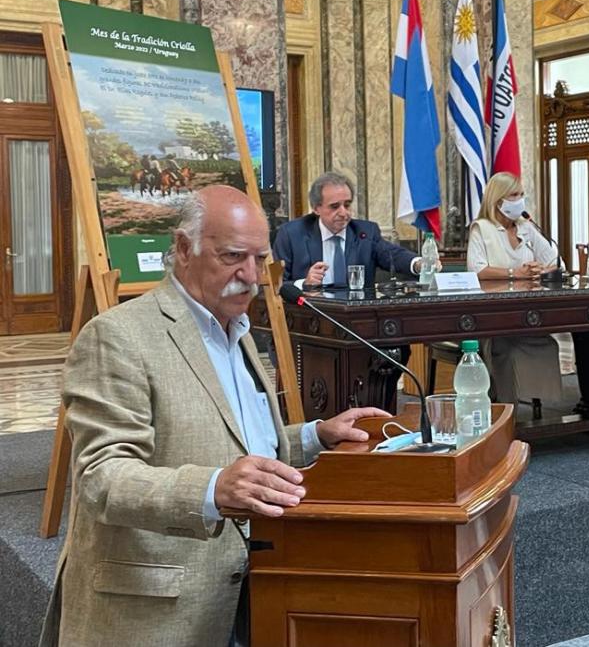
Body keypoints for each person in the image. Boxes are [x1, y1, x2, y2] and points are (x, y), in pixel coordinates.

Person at [40, 186, 388, 647]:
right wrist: (211, 490)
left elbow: (233, 439)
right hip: (157, 610)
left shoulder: (236, 328)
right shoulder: (117, 337)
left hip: (251, 585)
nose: (250, 275)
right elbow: (102, 477)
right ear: (184, 248)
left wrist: (314, 434)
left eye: (260, 259)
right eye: (232, 257)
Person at [467, 172, 563, 406]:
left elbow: (557, 262)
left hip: (527, 313)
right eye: (514, 195)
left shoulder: (526, 227)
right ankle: (505, 405)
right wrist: (514, 273)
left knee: (548, 344)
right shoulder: (482, 228)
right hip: (493, 316)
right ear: (498, 200)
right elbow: (476, 270)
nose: (520, 200)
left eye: (521, 194)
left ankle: (537, 402)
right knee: (504, 345)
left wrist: (540, 269)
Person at [274, 171, 425, 288]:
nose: (343, 212)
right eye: (334, 206)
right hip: (310, 315)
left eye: (347, 205)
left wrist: (419, 264)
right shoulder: (291, 234)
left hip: (356, 315)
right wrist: (304, 283)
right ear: (316, 208)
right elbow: (275, 285)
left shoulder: (365, 232)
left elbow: (393, 255)